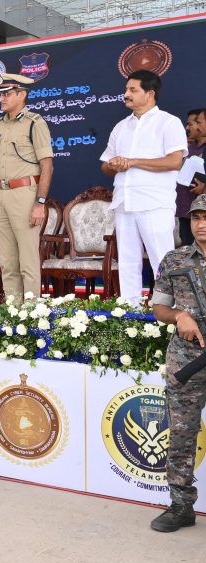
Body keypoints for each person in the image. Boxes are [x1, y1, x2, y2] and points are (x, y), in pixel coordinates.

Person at [101, 69, 186, 304]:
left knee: (162, 259)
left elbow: (175, 161)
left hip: (154, 202)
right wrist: (114, 164)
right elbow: (105, 167)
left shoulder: (169, 122)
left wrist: (133, 161)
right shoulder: (120, 127)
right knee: (128, 260)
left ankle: (168, 310)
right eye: (126, 89)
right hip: (124, 202)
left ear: (150, 94)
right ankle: (131, 310)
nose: (125, 94)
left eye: (132, 90)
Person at [149, 194, 206, 532]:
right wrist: (179, 316)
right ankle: (182, 505)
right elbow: (159, 308)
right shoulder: (174, 259)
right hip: (186, 359)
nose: (201, 223)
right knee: (183, 434)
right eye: (196, 217)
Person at [0, 73, 55, 302]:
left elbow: (47, 166)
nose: (1, 99)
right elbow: (1, 166)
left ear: (22, 94)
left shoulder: (35, 123)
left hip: (26, 195)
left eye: (6, 94)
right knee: (7, 262)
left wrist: (40, 203)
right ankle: (14, 312)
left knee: (28, 260)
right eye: (0, 95)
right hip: (3, 195)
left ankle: (30, 314)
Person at [176, 108, 206, 246]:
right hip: (185, 210)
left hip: (202, 211)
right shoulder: (188, 147)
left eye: (196, 123)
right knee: (188, 252)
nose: (188, 128)